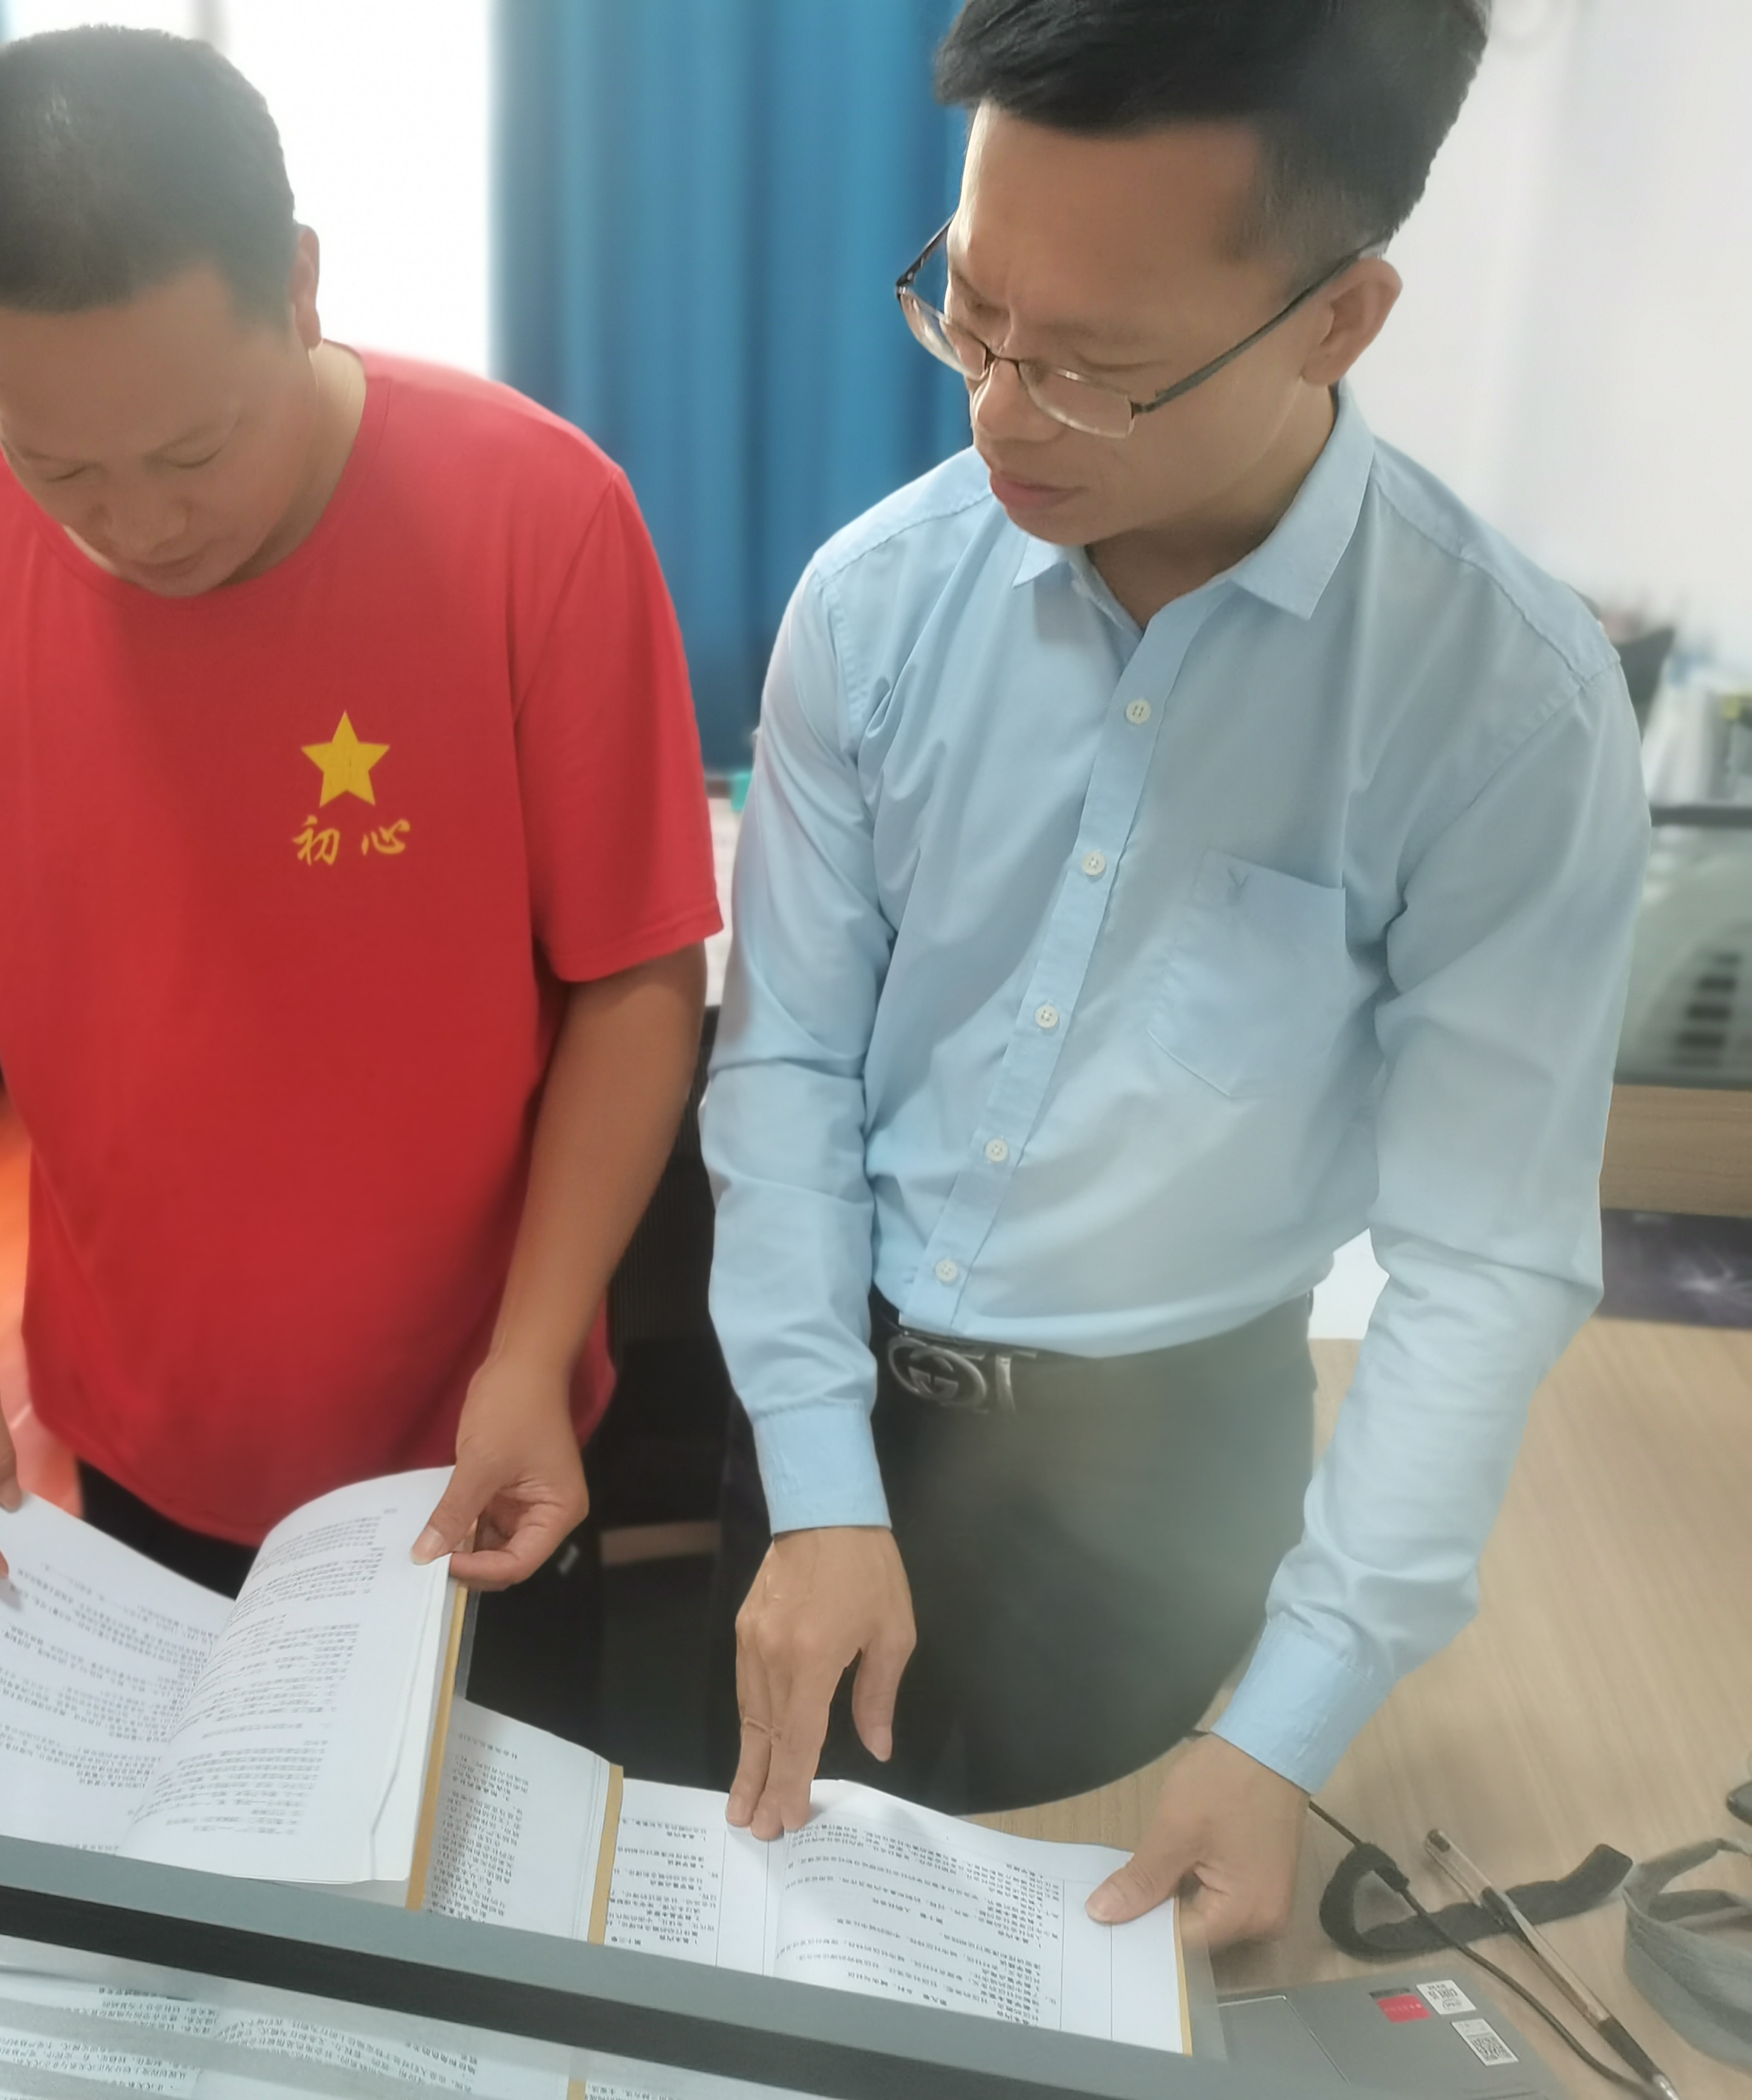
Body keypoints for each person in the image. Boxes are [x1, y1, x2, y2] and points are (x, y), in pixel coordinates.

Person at [703, 0, 1649, 1944]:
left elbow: (1482, 1257)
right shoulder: (874, 603)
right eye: (973, 316)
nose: (1000, 414)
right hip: (823, 1392)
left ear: (1338, 318)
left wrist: (1292, 1723)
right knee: (770, 1927)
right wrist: (813, 1475)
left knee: (1097, 1957)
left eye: (1096, 370)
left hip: (1162, 1477)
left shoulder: (1502, 706)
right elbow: (788, 1062)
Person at [0, 27, 717, 1723]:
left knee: (477, 1860)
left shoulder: (538, 518)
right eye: (58, 464)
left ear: (298, 283)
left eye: (193, 449)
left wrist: (534, 1350)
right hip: (139, 1428)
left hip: (477, 1425)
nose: (139, 524)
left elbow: (635, 974)